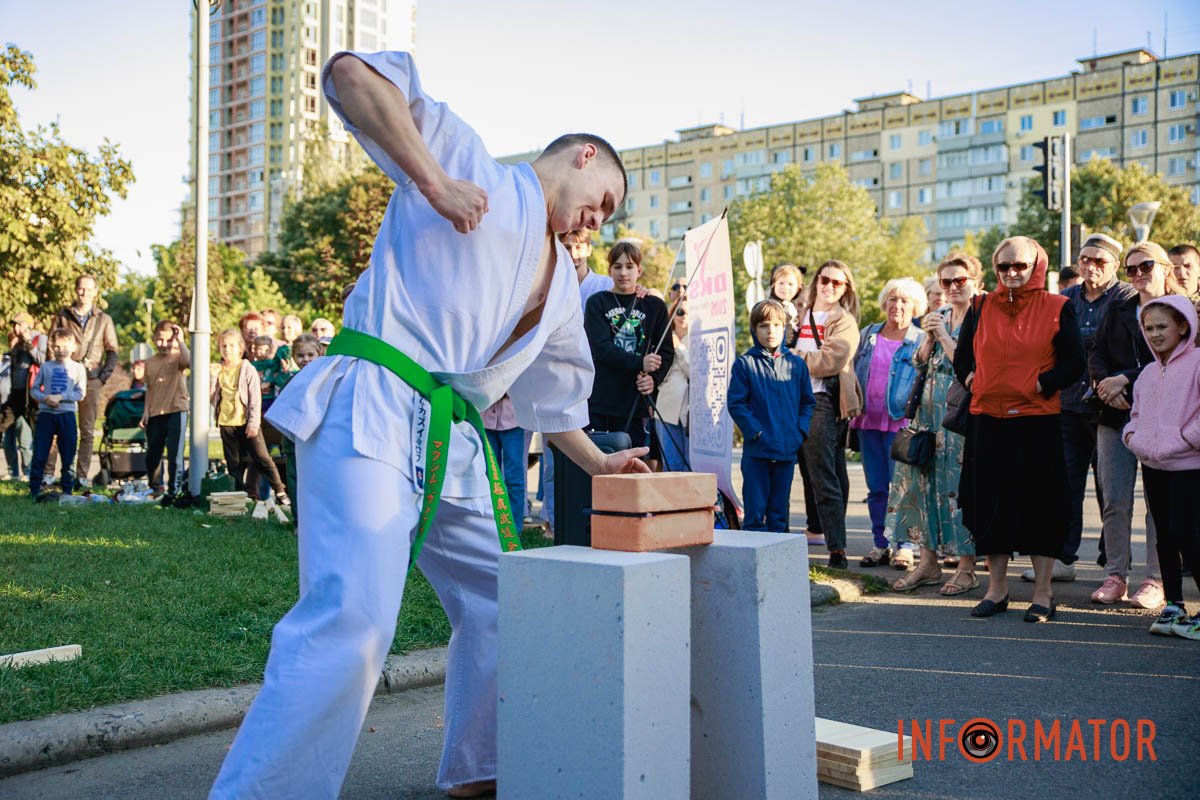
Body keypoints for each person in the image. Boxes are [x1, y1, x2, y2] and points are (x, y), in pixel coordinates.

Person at [209, 49, 642, 800]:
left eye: (606, 221)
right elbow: (350, 76)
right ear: (582, 156)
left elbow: (553, 403)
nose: (595, 223)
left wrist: (598, 464)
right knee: (354, 622)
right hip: (373, 400)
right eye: (601, 201)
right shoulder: (468, 158)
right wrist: (433, 180)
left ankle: (481, 767)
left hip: (451, 437)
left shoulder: (564, 286)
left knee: (510, 601)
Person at [955, 236, 1085, 622]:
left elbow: (1074, 362)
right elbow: (963, 356)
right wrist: (969, 379)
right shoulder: (980, 305)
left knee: (1040, 507)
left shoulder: (1058, 306)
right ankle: (997, 590)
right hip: (987, 419)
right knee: (990, 506)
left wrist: (1042, 383)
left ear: (1037, 267)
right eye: (1004, 267)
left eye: (1020, 266)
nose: (1011, 274)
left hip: (1036, 421)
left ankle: (1044, 594)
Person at [1030, 233, 1134, 584]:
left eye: (1098, 261)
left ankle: (1112, 564)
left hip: (1113, 408)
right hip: (1069, 405)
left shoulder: (1126, 297)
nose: (1089, 266)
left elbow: (1122, 349)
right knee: (1066, 485)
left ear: (1114, 266)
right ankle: (1064, 558)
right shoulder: (1066, 299)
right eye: (1084, 259)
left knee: (1111, 489)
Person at [1087, 242, 1180, 607]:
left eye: (1146, 267)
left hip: (1163, 418)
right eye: (1131, 270)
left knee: (1159, 504)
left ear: (1164, 268)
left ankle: (1155, 579)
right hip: (1115, 416)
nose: (1139, 275)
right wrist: (1103, 386)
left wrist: (1124, 378)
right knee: (1114, 500)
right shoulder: (1120, 308)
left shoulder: (1181, 310)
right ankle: (1115, 575)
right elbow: (1096, 351)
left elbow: (1176, 359)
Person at [887, 254, 981, 594]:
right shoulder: (938, 315)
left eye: (960, 280)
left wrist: (942, 337)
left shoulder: (981, 317)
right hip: (928, 412)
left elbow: (972, 367)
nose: (953, 287)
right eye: (946, 282)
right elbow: (918, 361)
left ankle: (967, 568)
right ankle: (928, 564)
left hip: (960, 414)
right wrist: (927, 341)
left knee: (959, 489)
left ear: (975, 282)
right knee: (921, 484)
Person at [1123, 295, 1200, 639]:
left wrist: (1185, 439)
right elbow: (1135, 416)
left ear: (1183, 326)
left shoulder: (1198, 363)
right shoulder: (1148, 373)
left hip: (1189, 465)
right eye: (1148, 327)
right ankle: (1174, 605)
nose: (1154, 334)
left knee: (1190, 535)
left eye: (1162, 327)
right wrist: (1132, 438)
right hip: (1153, 465)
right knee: (1165, 537)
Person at [537, 229, 616, 531]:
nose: (573, 252)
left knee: (593, 452)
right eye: (567, 246)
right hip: (556, 380)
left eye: (578, 247)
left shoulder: (604, 286)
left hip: (598, 385)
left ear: (589, 249)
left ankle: (595, 522)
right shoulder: (550, 282)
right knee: (554, 458)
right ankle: (556, 522)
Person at [851, 278, 926, 569]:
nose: (897, 305)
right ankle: (880, 543)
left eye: (905, 301)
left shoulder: (920, 339)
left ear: (915, 306)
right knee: (877, 488)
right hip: (868, 422)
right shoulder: (868, 334)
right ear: (884, 303)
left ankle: (904, 546)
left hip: (903, 426)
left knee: (904, 488)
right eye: (892, 299)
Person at [796, 260, 863, 570]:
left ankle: (837, 550)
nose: (830, 286)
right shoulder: (798, 312)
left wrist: (791, 357)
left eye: (838, 283)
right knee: (810, 473)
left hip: (822, 400)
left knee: (825, 475)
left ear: (846, 288)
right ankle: (820, 533)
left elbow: (830, 361)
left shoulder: (844, 321)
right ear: (817, 280)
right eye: (826, 279)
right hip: (791, 398)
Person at [728, 299, 815, 531]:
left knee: (779, 514)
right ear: (755, 329)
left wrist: (800, 432)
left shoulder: (796, 365)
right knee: (755, 514)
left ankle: (778, 565)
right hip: (757, 452)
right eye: (764, 325)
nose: (771, 331)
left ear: (785, 327)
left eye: (777, 325)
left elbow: (807, 402)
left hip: (787, 450)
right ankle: (751, 566)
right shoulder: (745, 364)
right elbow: (737, 404)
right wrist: (756, 432)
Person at [583, 241, 674, 452]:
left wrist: (654, 379)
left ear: (639, 270)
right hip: (600, 402)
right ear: (609, 270)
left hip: (635, 404)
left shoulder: (654, 306)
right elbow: (601, 349)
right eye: (617, 266)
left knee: (633, 470)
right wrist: (639, 362)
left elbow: (666, 352)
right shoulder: (597, 303)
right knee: (600, 474)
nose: (623, 272)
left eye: (630, 266)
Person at [209, 328, 290, 507]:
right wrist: (212, 378)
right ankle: (239, 495)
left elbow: (255, 398)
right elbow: (213, 397)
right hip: (226, 422)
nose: (227, 349)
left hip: (246, 422)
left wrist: (253, 422)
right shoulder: (219, 370)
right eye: (223, 346)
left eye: (231, 346)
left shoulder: (247, 369)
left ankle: (280, 490)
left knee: (262, 458)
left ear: (240, 348)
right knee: (234, 462)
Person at [52, 274, 119, 487]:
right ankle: (51, 473)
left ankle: (81, 475)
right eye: (81, 289)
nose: (84, 293)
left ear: (95, 292)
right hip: (64, 376)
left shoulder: (103, 319)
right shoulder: (63, 315)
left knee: (87, 430)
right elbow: (50, 345)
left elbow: (113, 351)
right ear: (75, 290)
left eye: (89, 289)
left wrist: (101, 378)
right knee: (57, 427)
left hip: (90, 379)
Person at [28, 328, 87, 499]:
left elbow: (80, 393)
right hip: (46, 415)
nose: (61, 350)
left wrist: (61, 397)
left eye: (65, 346)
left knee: (68, 454)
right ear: (52, 347)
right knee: (40, 452)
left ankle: (67, 488)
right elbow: (34, 389)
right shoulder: (46, 367)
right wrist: (45, 398)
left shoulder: (78, 368)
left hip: (66, 415)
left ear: (74, 347)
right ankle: (34, 488)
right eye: (57, 347)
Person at [139, 321, 191, 504]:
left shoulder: (178, 357)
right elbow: (149, 389)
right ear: (154, 339)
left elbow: (189, 362)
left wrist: (181, 340)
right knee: (153, 453)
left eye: (168, 340)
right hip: (155, 412)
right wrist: (146, 412)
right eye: (159, 340)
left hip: (176, 409)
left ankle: (173, 490)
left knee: (175, 454)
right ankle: (155, 487)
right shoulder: (150, 362)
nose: (164, 344)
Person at [277, 333, 321, 526]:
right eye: (301, 356)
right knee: (295, 479)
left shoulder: (325, 381)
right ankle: (299, 521)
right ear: (294, 357)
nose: (306, 360)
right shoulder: (290, 383)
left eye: (311, 355)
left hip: (316, 439)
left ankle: (317, 520)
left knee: (317, 480)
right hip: (293, 440)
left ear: (319, 354)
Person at [3, 312, 44, 481]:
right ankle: (14, 471)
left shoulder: (39, 339)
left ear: (27, 325)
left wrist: (28, 343)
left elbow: (43, 360)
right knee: (4, 426)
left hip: (32, 395)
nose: (15, 328)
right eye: (14, 325)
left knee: (36, 435)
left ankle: (35, 472)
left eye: (18, 324)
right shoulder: (16, 343)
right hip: (14, 395)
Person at [482, 395, 527, 531]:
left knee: (514, 480)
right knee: (488, 479)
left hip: (513, 420)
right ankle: (490, 527)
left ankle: (514, 531)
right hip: (485, 419)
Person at [655, 300, 691, 472]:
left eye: (688, 312)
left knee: (690, 466)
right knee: (671, 464)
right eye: (680, 312)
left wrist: (680, 348)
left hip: (692, 411)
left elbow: (694, 372)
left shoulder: (698, 338)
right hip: (666, 407)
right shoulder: (663, 337)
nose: (684, 316)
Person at [767, 263, 805, 348]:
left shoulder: (794, 306)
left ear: (798, 288)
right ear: (774, 285)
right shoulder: (771, 307)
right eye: (781, 283)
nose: (785, 287)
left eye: (790, 284)